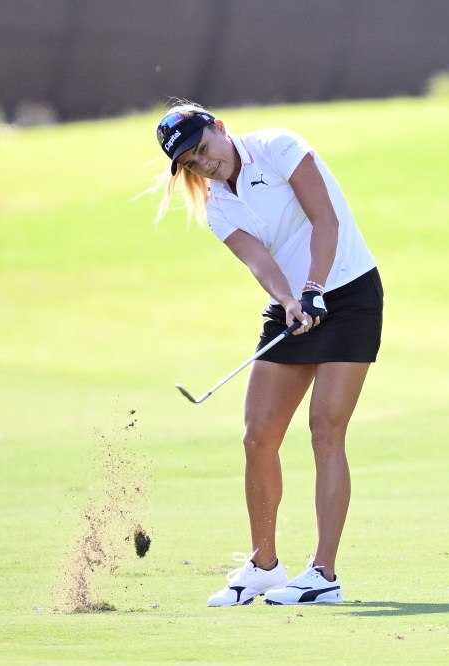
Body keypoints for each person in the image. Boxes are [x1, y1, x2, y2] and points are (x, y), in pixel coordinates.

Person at [154, 103, 383, 606]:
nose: (204, 164)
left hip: (347, 295)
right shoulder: (218, 207)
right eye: (191, 162)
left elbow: (325, 219)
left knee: (325, 430)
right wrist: (289, 301)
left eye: (203, 150)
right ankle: (264, 566)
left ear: (219, 127)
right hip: (295, 303)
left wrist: (314, 288)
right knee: (258, 437)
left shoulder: (278, 147)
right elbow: (260, 262)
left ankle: (323, 574)